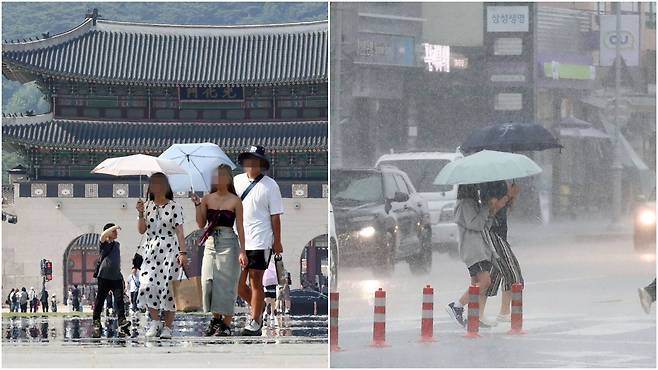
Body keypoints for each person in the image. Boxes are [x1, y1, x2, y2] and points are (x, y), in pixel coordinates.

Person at [191, 164, 247, 337]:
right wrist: (197, 205)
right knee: (208, 281)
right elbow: (201, 224)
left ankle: (226, 323)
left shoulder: (235, 200)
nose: (219, 179)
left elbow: (240, 226)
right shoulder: (207, 199)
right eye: (217, 176)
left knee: (226, 283)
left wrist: (242, 251)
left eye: (223, 176)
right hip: (210, 242)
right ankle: (215, 319)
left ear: (229, 178)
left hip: (229, 242)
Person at [235, 145, 284, 336]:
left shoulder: (270, 185)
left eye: (255, 161)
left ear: (261, 164)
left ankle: (254, 321)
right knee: (238, 285)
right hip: (239, 240)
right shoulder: (236, 181)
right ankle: (259, 307)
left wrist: (277, 241)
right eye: (248, 160)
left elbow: (275, 216)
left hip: (260, 240)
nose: (251, 164)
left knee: (256, 282)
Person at [136, 172, 188, 339]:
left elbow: (180, 231)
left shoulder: (175, 206)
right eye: (153, 184)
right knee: (146, 285)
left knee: (169, 288)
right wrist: (140, 213)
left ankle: (167, 327)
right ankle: (156, 321)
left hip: (170, 250)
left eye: (159, 183)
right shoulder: (147, 206)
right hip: (150, 249)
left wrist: (182, 252)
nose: (156, 187)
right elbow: (141, 230)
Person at [446, 184, 505, 328]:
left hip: (479, 248)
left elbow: (484, 224)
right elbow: (476, 225)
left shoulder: (472, 203)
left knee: (476, 284)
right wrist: (485, 207)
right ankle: (456, 306)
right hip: (473, 250)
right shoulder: (465, 204)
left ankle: (474, 317)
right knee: (485, 282)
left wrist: (490, 211)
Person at [480, 180, 523, 322]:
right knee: (513, 272)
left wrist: (511, 196)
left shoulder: (501, 183)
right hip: (493, 233)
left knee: (494, 274)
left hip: (499, 233)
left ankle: (478, 312)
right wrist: (508, 195)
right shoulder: (490, 183)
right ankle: (504, 313)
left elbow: (504, 208)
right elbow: (492, 208)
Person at [91, 222, 131, 336]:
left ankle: (122, 320)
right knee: (100, 299)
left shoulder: (117, 244)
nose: (116, 232)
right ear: (108, 232)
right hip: (104, 276)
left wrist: (122, 277)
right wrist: (115, 226)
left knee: (119, 299)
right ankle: (96, 320)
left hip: (116, 277)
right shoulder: (103, 243)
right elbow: (102, 236)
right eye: (114, 231)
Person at [262, 259, 279, 326]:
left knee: (266, 300)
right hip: (273, 285)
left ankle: (265, 312)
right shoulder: (274, 267)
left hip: (266, 285)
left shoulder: (265, 267)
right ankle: (271, 314)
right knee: (272, 301)